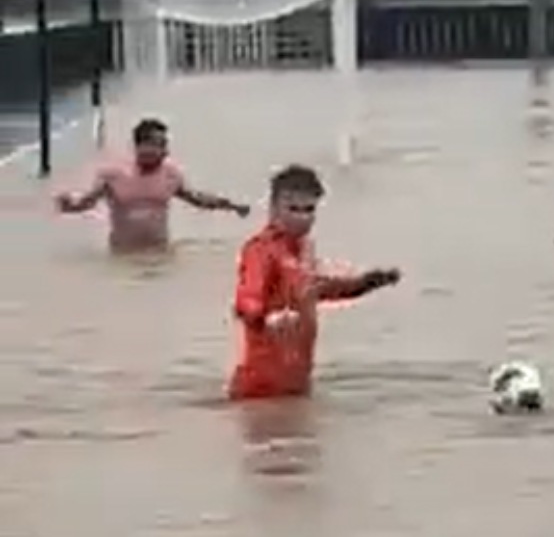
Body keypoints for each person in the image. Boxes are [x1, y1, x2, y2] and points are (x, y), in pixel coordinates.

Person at [228, 164, 402, 401]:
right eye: (293, 209)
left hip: (297, 382)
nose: (302, 218)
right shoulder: (261, 249)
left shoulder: (304, 249)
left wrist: (367, 283)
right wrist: (265, 319)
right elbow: (246, 300)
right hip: (261, 390)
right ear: (273, 208)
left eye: (309, 210)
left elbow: (316, 290)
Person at [54, 117, 250, 253]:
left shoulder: (170, 175)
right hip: (123, 257)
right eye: (159, 145)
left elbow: (198, 199)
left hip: (161, 254)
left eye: (165, 145)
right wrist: (68, 205)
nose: (165, 151)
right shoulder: (113, 175)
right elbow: (87, 202)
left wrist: (231, 206)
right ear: (140, 146)